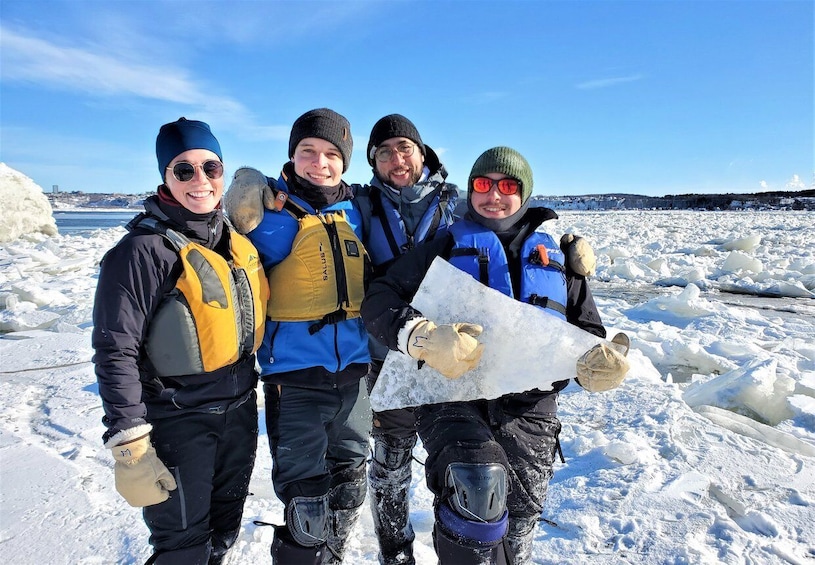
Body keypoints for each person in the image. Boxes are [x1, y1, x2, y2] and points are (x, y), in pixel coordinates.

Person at [361, 146, 629, 564]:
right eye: (483, 185)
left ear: (525, 193)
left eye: (507, 186)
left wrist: (597, 362)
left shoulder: (558, 257)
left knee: (518, 525)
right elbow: (379, 301)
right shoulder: (446, 245)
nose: (494, 195)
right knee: (476, 489)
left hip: (532, 405)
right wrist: (420, 334)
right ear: (470, 191)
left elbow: (587, 331)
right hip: (454, 398)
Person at [93, 117, 268, 565]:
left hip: (239, 412)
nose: (200, 181)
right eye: (183, 170)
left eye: (210, 168)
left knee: (224, 533)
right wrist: (130, 443)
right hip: (178, 422)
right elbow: (116, 350)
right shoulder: (140, 252)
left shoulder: (233, 240)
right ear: (165, 178)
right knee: (182, 549)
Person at [223, 108, 371, 564]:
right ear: (292, 155)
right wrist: (240, 188)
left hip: (355, 375)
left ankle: (335, 556)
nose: (319, 163)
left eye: (331, 154)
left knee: (349, 484)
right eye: (308, 151)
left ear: (344, 161)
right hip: (295, 377)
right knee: (306, 505)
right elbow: (212, 241)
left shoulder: (359, 211)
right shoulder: (266, 209)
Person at [354, 114, 459, 565]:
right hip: (388, 352)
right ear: (373, 163)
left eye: (404, 148)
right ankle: (396, 556)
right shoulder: (359, 204)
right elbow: (308, 199)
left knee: (455, 464)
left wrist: (555, 251)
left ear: (422, 153)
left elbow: (504, 228)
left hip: (448, 357)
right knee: (391, 465)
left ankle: (458, 550)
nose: (396, 159)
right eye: (384, 153)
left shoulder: (457, 204)